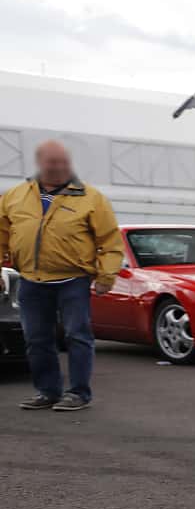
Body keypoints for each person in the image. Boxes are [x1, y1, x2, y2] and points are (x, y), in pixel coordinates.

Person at [0, 140, 122, 411]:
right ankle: (48, 392)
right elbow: (2, 235)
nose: (59, 168)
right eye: (52, 163)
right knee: (35, 339)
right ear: (40, 164)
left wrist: (106, 275)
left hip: (73, 280)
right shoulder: (15, 196)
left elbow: (110, 241)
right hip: (31, 280)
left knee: (78, 336)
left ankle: (78, 393)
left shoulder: (92, 198)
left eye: (63, 163)